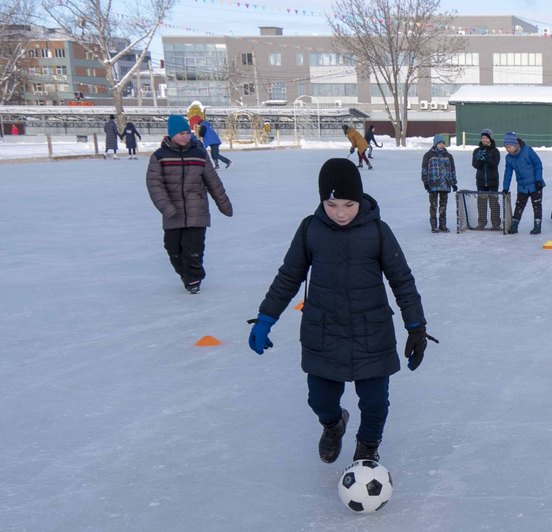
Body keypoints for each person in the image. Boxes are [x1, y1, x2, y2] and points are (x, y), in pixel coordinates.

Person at [248, 158, 432, 465]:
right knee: (319, 399)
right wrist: (266, 318)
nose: (341, 213)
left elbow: (402, 280)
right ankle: (333, 425)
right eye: (332, 204)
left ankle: (368, 445)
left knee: (375, 403)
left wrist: (416, 327)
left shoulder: (378, 231)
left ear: (359, 199)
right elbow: (288, 276)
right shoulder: (310, 229)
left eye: (349, 204)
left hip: (371, 332)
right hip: (324, 332)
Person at [145, 114, 233, 294]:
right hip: (172, 212)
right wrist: (166, 208)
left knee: (193, 250)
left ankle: (194, 278)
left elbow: (213, 181)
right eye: (180, 133)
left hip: (197, 211)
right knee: (173, 249)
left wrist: (223, 204)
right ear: (171, 135)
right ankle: (186, 276)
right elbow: (154, 185)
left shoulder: (199, 154)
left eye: (187, 132)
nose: (185, 137)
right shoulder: (160, 156)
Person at [502, 131, 544, 235]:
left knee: (536, 205)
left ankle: (537, 226)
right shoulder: (509, 158)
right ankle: (514, 226)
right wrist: (505, 188)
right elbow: (508, 173)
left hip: (535, 184)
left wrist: (538, 180)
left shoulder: (528, 151)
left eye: (509, 147)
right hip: (522, 186)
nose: (508, 149)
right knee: (519, 206)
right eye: (506, 147)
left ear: (515, 145)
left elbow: (538, 164)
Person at [421, 134, 457, 233]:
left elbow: (452, 170)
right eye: (439, 143)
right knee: (433, 205)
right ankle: (434, 225)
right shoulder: (428, 155)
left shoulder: (448, 156)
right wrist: (426, 182)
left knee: (443, 205)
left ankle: (442, 225)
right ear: (435, 144)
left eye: (443, 143)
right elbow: (424, 170)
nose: (441, 145)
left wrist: (453, 182)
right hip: (433, 184)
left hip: (445, 184)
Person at [471, 128, 502, 231]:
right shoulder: (477, 151)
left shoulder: (495, 151)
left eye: (486, 138)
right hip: (480, 182)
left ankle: (496, 223)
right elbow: (475, 165)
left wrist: (487, 158)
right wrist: (480, 159)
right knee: (481, 203)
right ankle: (482, 223)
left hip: (492, 181)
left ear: (490, 139)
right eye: (482, 137)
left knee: (493, 203)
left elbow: (495, 164)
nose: (484, 140)